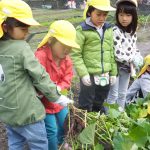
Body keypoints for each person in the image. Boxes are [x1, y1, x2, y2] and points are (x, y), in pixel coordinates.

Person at [0, 0, 71, 149]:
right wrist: (56, 96)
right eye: (23, 29)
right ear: (5, 27)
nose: (27, 33)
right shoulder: (21, 48)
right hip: (28, 112)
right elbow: (39, 75)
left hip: (7, 111)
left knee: (15, 143)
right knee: (39, 143)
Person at [35, 20, 79, 150]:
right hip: (44, 104)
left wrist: (59, 88)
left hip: (59, 101)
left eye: (69, 46)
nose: (67, 50)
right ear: (51, 41)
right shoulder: (40, 56)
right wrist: (51, 90)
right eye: (63, 45)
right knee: (51, 130)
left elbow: (68, 77)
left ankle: (61, 143)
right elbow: (37, 80)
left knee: (64, 123)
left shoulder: (66, 60)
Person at [71, 0, 117, 112]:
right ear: (89, 12)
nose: (102, 18)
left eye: (105, 15)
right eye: (98, 14)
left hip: (105, 73)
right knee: (85, 103)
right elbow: (76, 54)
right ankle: (83, 124)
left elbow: (111, 51)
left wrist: (113, 73)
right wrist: (83, 74)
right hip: (89, 74)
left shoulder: (108, 28)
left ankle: (96, 125)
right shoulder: (82, 29)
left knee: (99, 101)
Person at [106, 0, 143, 110]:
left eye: (128, 15)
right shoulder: (115, 30)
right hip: (115, 68)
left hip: (126, 68)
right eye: (121, 15)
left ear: (133, 16)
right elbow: (118, 54)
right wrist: (133, 59)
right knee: (113, 94)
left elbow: (133, 48)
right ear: (117, 15)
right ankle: (109, 116)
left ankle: (120, 116)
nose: (124, 18)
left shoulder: (132, 32)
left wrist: (138, 55)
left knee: (123, 94)